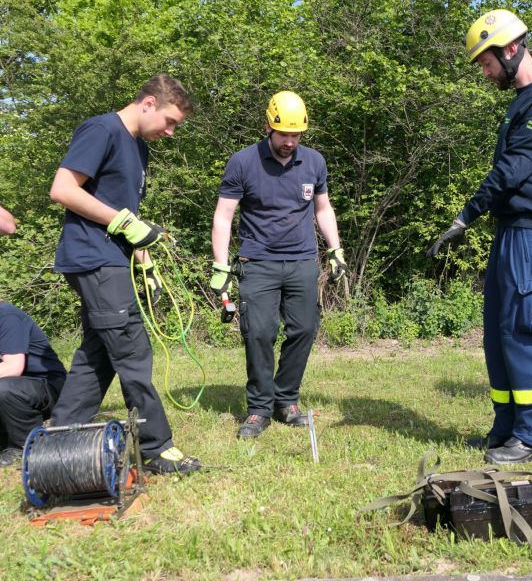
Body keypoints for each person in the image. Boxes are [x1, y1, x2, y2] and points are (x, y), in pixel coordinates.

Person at [427, 9, 532, 464]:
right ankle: (507, 430)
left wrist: (464, 217)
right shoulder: (521, 101)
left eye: (487, 63)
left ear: (511, 49)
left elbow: (513, 170)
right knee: (501, 333)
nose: (485, 73)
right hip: (510, 232)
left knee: (530, 331)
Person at [48, 74, 201, 474]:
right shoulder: (102, 130)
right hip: (92, 257)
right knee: (132, 350)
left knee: (98, 353)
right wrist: (124, 223)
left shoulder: (137, 146)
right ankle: (156, 448)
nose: (171, 132)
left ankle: (58, 439)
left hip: (114, 259)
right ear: (148, 103)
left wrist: (143, 258)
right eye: (170, 121)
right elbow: (63, 189)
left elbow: (124, 213)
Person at [211, 90, 346, 439]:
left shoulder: (314, 162)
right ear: (268, 127)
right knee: (258, 333)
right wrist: (221, 267)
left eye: (296, 135)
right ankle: (258, 409)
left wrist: (335, 250)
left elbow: (323, 209)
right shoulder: (243, 162)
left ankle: (285, 400)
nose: (290, 142)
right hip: (257, 262)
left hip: (302, 260)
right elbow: (224, 216)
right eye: (284, 134)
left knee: (304, 329)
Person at [0, 301, 66, 467]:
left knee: (3, 389)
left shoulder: (7, 316)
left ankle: (24, 446)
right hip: (15, 389)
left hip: (47, 385)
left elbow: (13, 366)